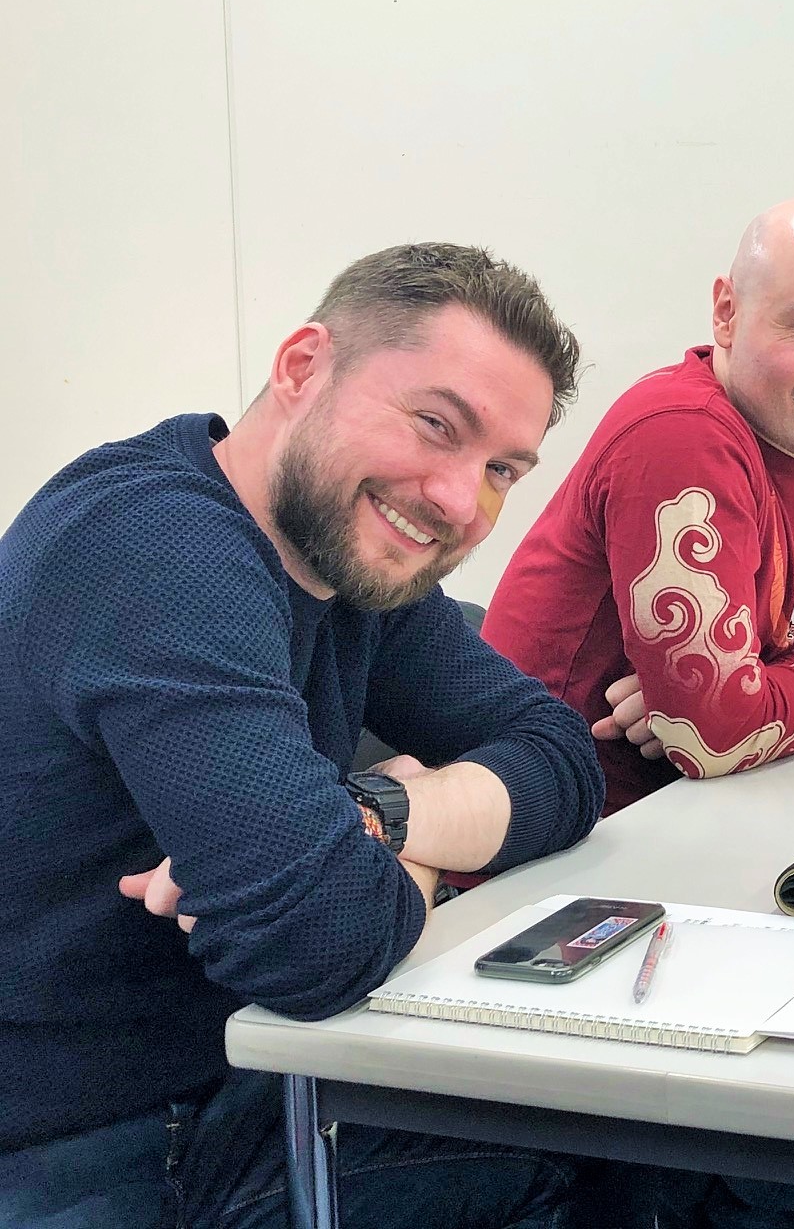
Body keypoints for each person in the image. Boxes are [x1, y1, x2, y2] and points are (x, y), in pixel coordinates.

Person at [0, 244, 606, 1228]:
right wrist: (400, 853)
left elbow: (561, 760)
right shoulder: (155, 548)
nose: (461, 500)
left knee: (632, 1145)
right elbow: (317, 940)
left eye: (501, 469)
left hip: (241, 1071)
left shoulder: (351, 561)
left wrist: (377, 814)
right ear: (301, 367)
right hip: (77, 1142)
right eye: (436, 425)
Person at [483, 196, 794, 817]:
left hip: (718, 804)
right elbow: (716, 734)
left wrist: (739, 690)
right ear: (726, 314)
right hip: (563, 823)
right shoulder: (681, 433)